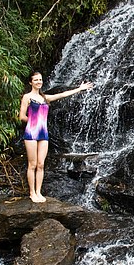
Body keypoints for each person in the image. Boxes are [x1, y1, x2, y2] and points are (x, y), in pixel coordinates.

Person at [19, 71, 93, 203]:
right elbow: (21, 116)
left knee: (41, 164)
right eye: (36, 80)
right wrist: (33, 121)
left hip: (43, 133)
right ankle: (32, 193)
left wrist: (80, 89)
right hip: (31, 132)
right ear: (31, 82)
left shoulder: (45, 98)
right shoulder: (27, 97)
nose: (39, 82)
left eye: (40, 80)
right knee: (32, 164)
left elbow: (62, 94)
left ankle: (38, 191)